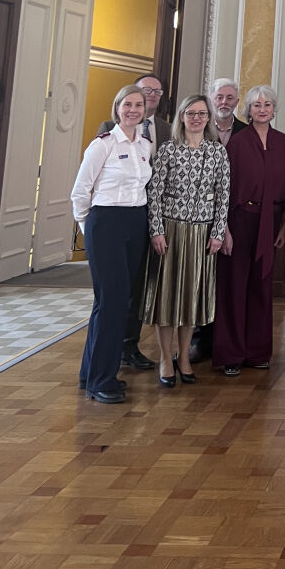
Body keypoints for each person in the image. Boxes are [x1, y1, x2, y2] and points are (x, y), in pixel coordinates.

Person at [71, 84, 153, 404]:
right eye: (127, 104)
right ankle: (102, 381)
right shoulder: (102, 145)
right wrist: (89, 230)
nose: (133, 110)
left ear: (144, 110)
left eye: (138, 105)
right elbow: (80, 192)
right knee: (114, 302)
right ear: (117, 107)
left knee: (111, 301)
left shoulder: (145, 145)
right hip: (105, 224)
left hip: (135, 223)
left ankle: (88, 372)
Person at [142, 94, 231, 387]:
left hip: (202, 235)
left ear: (208, 118)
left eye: (202, 113)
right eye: (191, 113)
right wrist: (156, 230)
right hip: (170, 231)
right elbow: (153, 193)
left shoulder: (217, 152)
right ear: (181, 116)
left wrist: (218, 233)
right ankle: (166, 358)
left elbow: (223, 196)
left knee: (191, 298)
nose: (196, 118)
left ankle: (184, 357)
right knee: (167, 298)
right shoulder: (168, 150)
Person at [213, 86, 285, 376]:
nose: (262, 109)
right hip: (239, 220)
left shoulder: (283, 143)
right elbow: (223, 189)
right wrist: (225, 230)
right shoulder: (236, 142)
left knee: (262, 286)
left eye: (267, 104)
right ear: (247, 109)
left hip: (270, 222)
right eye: (256, 105)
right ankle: (231, 354)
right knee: (234, 287)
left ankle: (258, 351)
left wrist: (283, 225)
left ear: (274, 110)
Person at [97, 71, 170, 372]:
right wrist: (87, 225)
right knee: (111, 293)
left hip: (146, 217)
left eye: (155, 92)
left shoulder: (165, 129)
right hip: (110, 219)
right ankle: (104, 360)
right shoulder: (107, 133)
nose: (149, 98)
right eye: (143, 93)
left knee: (138, 285)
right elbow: (87, 185)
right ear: (123, 104)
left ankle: (130, 343)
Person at [190, 77, 247, 363]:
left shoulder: (246, 133)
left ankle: (226, 338)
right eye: (219, 97)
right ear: (211, 100)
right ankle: (200, 340)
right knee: (201, 279)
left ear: (237, 101)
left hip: (236, 216)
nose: (224, 102)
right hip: (197, 217)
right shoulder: (198, 131)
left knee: (227, 282)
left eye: (229, 97)